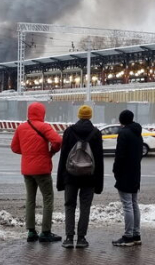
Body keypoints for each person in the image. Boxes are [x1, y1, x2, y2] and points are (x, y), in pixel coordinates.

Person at [11, 102, 62, 243]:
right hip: (42, 169)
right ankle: (46, 232)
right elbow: (57, 141)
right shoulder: (44, 127)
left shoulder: (21, 128)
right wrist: (51, 152)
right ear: (42, 113)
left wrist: (28, 153)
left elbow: (14, 148)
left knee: (30, 199)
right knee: (47, 199)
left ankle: (31, 232)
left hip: (27, 170)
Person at [57, 105, 104, 249]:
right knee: (85, 208)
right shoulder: (96, 133)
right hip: (89, 177)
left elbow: (64, 156)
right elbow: (99, 160)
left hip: (70, 176)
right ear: (90, 116)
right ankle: (82, 239)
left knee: (69, 206)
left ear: (78, 116)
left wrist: (61, 181)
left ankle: (69, 238)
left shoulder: (69, 132)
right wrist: (99, 184)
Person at [112, 109, 143, 247]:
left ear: (122, 120)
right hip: (135, 172)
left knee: (127, 205)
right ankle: (136, 234)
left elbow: (120, 155)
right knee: (134, 203)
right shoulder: (138, 133)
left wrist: (116, 170)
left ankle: (128, 236)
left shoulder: (123, 133)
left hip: (125, 173)